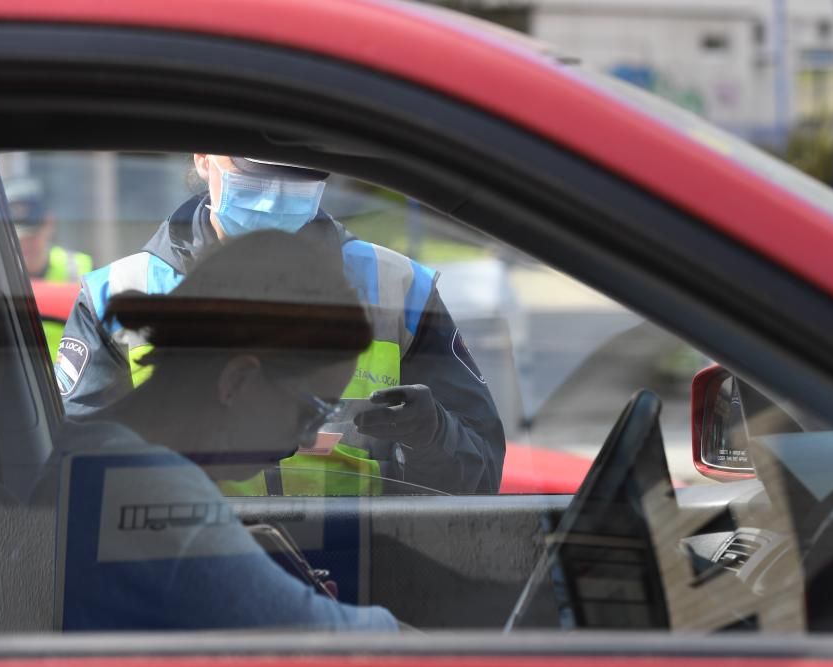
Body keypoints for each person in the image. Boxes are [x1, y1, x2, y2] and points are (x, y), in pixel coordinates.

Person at [55, 155, 505, 495]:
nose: (275, 192)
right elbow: (68, 482)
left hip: (366, 579)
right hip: (191, 582)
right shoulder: (116, 294)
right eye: (254, 171)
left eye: (298, 174)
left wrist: (435, 437)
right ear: (202, 156)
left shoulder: (400, 289)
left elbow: (480, 480)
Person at [39, 229, 399, 631]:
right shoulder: (145, 486)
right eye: (311, 411)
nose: (308, 440)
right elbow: (325, 639)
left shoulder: (95, 457)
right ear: (238, 381)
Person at [5, 176, 94, 356]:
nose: (26, 242)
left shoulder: (80, 269)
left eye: (32, 234)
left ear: (49, 223)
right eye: (18, 235)